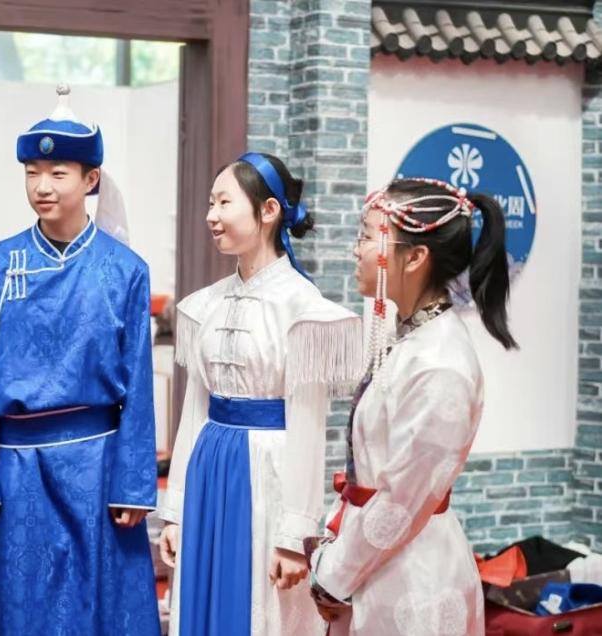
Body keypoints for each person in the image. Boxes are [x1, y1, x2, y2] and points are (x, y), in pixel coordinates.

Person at [0, 85, 160, 635]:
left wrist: (134, 483)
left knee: (99, 605)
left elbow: (139, 384)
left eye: (58, 173)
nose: (42, 186)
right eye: (32, 173)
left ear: (90, 180)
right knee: (19, 604)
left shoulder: (125, 271)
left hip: (97, 461)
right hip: (16, 466)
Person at [157, 152, 364, 635]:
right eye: (211, 203)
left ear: (268, 210)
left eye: (224, 202)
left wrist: (295, 536)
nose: (211, 215)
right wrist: (175, 512)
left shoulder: (303, 308)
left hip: (268, 473)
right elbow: (195, 411)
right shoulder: (206, 304)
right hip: (208, 467)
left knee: (260, 610)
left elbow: (309, 426)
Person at [306, 177, 518, 635]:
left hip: (413, 577)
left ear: (415, 256)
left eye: (367, 236)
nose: (356, 250)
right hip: (381, 561)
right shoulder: (413, 340)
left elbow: (402, 499)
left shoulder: (441, 363)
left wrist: (333, 574)